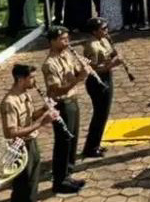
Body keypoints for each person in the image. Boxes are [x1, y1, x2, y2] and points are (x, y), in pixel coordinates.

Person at [1, 63, 56, 202]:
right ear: (20, 79)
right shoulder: (10, 102)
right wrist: (41, 124)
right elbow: (11, 132)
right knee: (23, 185)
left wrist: (44, 109)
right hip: (20, 147)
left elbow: (30, 117)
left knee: (33, 182)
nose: (34, 81)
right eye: (31, 78)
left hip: (32, 143)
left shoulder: (25, 94)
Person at [42, 26, 87, 193]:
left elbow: (75, 72)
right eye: (62, 39)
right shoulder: (49, 64)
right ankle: (59, 181)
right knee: (63, 142)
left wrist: (83, 69)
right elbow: (55, 90)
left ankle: (68, 174)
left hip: (72, 101)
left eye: (67, 38)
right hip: (62, 104)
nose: (67, 41)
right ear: (52, 41)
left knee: (72, 139)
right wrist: (77, 80)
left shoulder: (67, 54)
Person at [81, 18, 120, 159]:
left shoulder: (103, 40)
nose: (106, 31)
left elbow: (110, 54)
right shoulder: (91, 46)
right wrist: (112, 65)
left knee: (104, 114)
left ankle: (96, 143)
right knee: (99, 114)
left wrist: (114, 56)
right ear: (94, 31)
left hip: (107, 77)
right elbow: (93, 69)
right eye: (103, 29)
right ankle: (91, 148)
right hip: (97, 81)